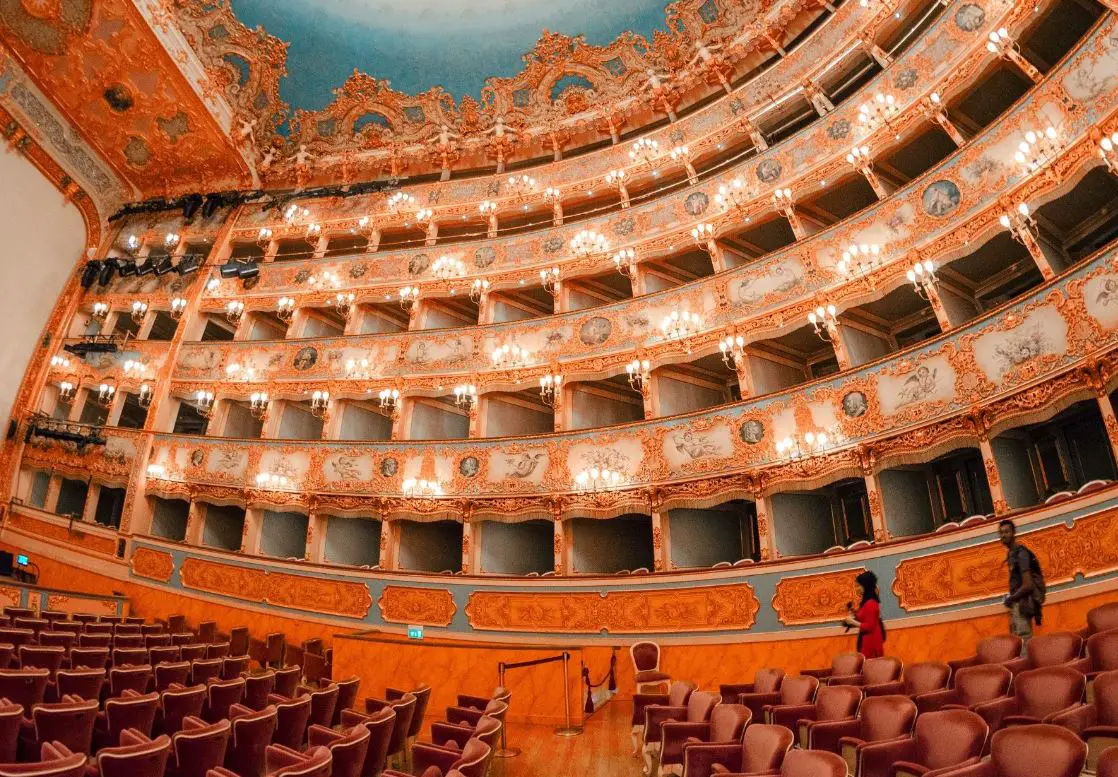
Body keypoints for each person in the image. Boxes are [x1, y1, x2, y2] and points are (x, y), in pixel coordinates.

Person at [999, 519, 1045, 649]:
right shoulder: (1011, 553)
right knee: (1016, 641)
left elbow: (1028, 584)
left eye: (1007, 532)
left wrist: (1011, 598)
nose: (1003, 535)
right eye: (1001, 533)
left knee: (1023, 642)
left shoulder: (1021, 553)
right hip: (1017, 602)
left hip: (1022, 603)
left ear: (1013, 533)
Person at [843, 570, 885, 658]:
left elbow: (869, 626)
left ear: (866, 585)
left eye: (859, 585)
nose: (857, 588)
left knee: (870, 668)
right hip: (866, 639)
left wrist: (852, 622)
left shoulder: (871, 603)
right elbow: (863, 618)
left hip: (871, 641)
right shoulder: (866, 602)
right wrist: (853, 615)